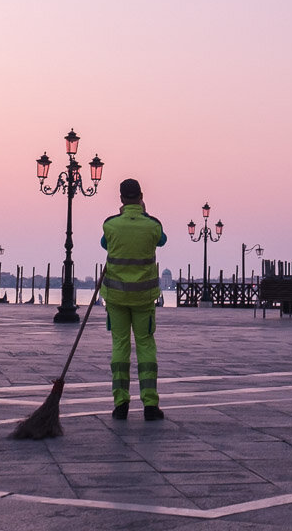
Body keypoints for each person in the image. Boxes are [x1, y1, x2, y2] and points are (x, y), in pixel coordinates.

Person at [100, 178, 167, 420]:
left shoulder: (110, 225)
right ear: (141, 196)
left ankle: (120, 404)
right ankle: (150, 404)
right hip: (143, 298)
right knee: (146, 346)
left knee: (120, 347)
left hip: (116, 296)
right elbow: (162, 240)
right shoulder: (152, 225)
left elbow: (103, 244)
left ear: (120, 198)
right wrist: (144, 213)